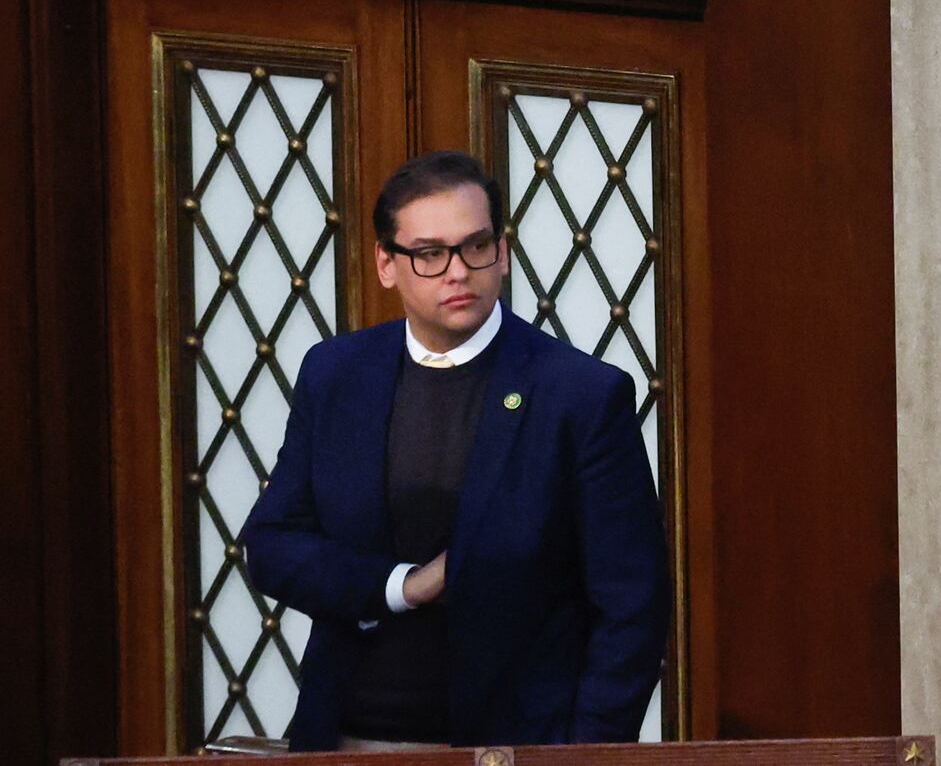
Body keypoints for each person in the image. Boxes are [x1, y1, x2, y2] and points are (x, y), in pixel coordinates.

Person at [240, 150, 668, 751]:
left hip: (513, 746)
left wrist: (584, 755)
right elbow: (274, 545)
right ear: (387, 264)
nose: (458, 271)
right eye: (430, 253)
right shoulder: (336, 373)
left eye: (476, 246)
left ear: (503, 253)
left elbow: (632, 607)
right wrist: (401, 585)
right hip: (347, 735)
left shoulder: (580, 394)